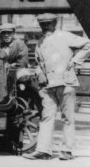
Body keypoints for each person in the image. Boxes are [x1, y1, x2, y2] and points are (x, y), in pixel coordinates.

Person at [25, 13, 90, 161]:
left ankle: (67, 150)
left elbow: (88, 44)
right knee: (46, 117)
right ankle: (43, 150)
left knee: (67, 117)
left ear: (54, 24)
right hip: (48, 86)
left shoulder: (65, 36)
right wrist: (39, 71)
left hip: (65, 82)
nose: (45, 27)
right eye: (42, 24)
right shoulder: (40, 42)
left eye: (48, 24)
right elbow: (38, 62)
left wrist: (75, 61)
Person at [0, 23, 29, 154]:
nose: (6, 35)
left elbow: (22, 63)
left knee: (15, 114)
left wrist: (9, 65)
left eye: (8, 33)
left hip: (17, 83)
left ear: (13, 34)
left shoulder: (20, 45)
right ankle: (3, 143)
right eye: (3, 33)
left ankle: (16, 144)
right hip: (1, 84)